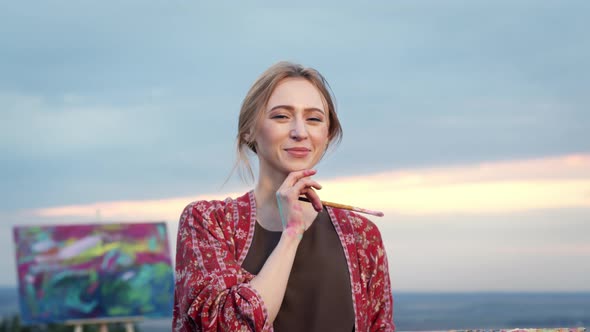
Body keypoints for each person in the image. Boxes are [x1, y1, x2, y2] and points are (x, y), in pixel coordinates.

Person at [172, 61, 394, 331]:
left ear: (327, 134)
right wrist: (291, 233)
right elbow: (225, 326)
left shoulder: (361, 235)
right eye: (281, 116)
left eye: (314, 119)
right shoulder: (208, 222)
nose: (300, 132)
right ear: (248, 130)